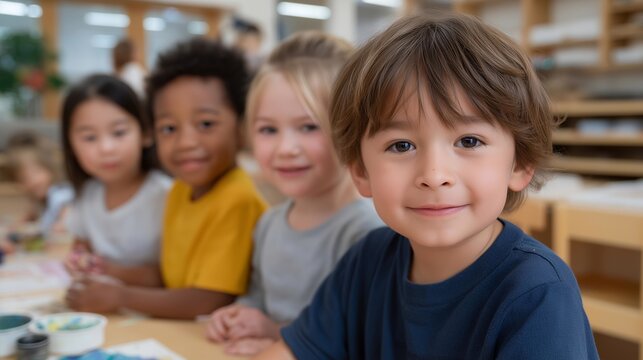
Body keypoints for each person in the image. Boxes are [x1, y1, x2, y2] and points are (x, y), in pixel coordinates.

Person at [256, 13, 599, 359]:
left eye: (468, 141)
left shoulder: (538, 291)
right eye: (401, 146)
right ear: (361, 171)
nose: (434, 175)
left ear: (521, 162)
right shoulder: (367, 259)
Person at [205, 32, 382, 356]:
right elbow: (258, 297)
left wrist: (273, 332)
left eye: (309, 127)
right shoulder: (269, 223)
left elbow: (359, 340)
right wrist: (237, 315)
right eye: (268, 130)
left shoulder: (367, 232)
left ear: (351, 131)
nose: (286, 149)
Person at [66, 38, 268, 319]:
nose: (185, 142)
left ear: (243, 126)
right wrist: (106, 275)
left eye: (206, 124)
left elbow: (208, 299)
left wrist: (120, 296)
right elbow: (169, 277)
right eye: (169, 128)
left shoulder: (238, 198)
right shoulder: (180, 191)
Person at [60, 74, 171, 281]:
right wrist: (77, 260)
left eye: (119, 133)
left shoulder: (167, 196)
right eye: (89, 137)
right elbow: (80, 248)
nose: (106, 148)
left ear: (146, 133)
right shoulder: (88, 196)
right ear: (71, 144)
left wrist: (105, 269)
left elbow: (169, 276)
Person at [5, 131, 74, 240]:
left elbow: (68, 220)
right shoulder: (39, 199)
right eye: (24, 178)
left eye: (36, 173)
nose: (32, 182)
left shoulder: (60, 194)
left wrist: (61, 225)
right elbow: (29, 217)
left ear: (50, 169)